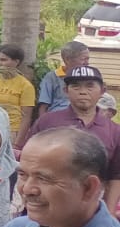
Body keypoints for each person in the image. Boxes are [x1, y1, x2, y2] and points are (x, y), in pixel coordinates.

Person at [25, 64, 120, 207]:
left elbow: (115, 175)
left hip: (93, 205)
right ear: (66, 91)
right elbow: (28, 162)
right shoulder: (48, 121)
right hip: (48, 203)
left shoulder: (114, 131)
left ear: (102, 91)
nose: (83, 92)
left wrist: (110, 210)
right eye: (75, 86)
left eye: (90, 86)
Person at [0, 43, 37, 140]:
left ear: (16, 62)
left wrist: (17, 143)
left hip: (10, 131)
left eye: (3, 60)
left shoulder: (25, 86)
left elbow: (26, 117)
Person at [36, 40, 88, 123]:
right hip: (57, 120)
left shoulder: (88, 77)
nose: (87, 63)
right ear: (67, 59)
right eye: (83, 59)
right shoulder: (52, 77)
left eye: (88, 59)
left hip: (81, 120)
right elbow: (43, 105)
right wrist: (42, 124)